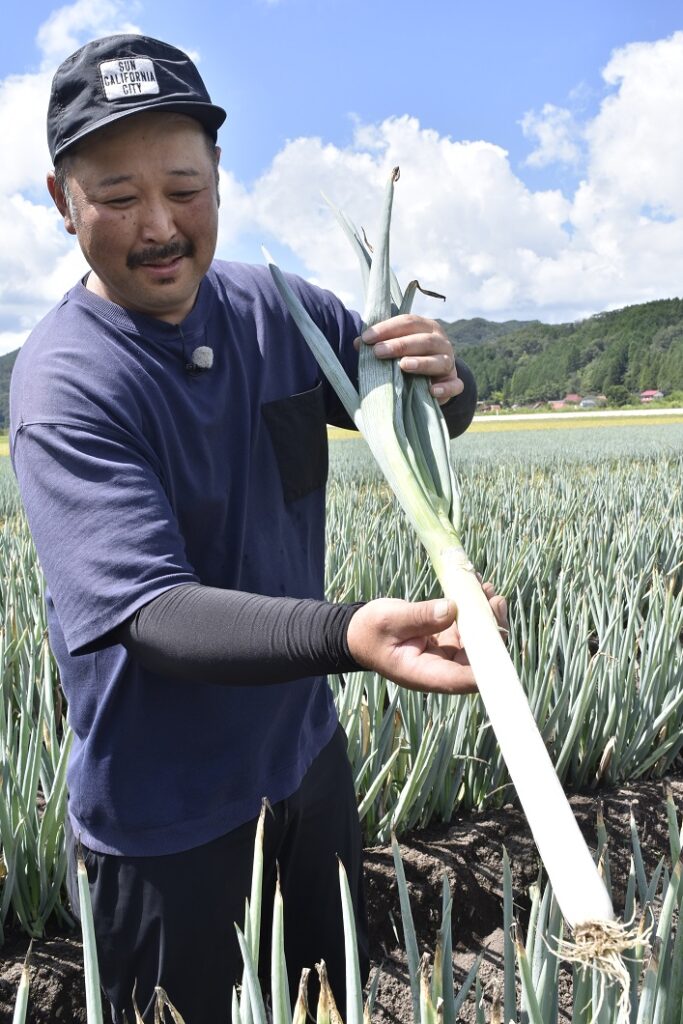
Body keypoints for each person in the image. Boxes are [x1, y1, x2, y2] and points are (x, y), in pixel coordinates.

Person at [9, 33, 506, 1024]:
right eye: (115, 196)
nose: (157, 225)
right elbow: (152, 612)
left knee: (328, 1003)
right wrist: (343, 634)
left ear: (220, 181)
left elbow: (411, 415)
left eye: (182, 188)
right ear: (63, 203)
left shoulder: (278, 311)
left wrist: (450, 384)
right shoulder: (65, 382)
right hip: (164, 821)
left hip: (303, 769)